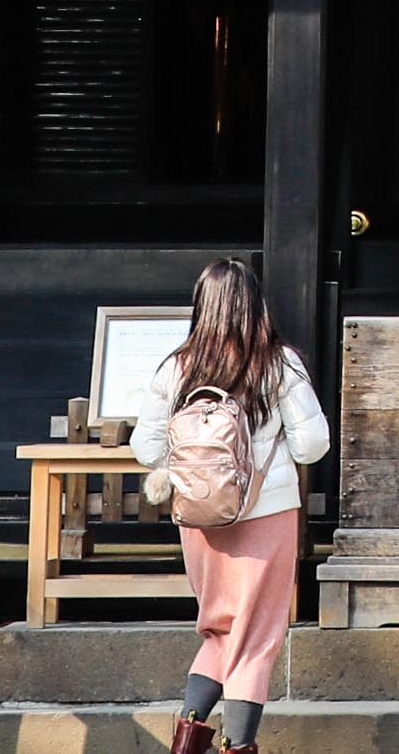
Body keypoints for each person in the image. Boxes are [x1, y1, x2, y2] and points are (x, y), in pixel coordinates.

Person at [130, 260, 329, 754]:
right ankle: (236, 747)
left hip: (200, 517)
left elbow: (145, 447)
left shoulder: (178, 367)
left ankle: (186, 743)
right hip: (266, 515)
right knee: (255, 641)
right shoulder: (278, 363)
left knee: (220, 632)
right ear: (254, 303)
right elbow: (312, 446)